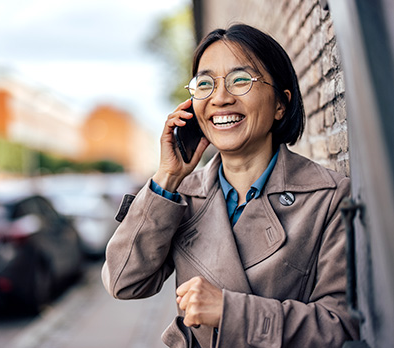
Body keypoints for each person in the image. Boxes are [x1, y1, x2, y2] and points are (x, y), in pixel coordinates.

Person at [101, 24, 359, 347]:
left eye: (240, 80)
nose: (220, 98)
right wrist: (167, 177)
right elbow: (124, 281)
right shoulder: (181, 197)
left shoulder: (329, 198)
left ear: (281, 103)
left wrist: (230, 312)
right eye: (205, 84)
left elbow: (340, 328)